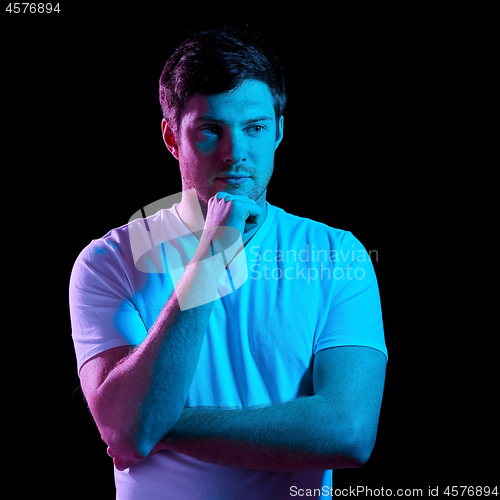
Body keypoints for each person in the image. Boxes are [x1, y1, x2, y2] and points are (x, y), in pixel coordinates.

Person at [69, 28, 388, 499]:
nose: (235, 152)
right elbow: (125, 428)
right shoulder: (108, 262)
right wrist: (211, 253)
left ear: (278, 131)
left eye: (254, 128)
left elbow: (348, 432)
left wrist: (160, 425)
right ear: (171, 137)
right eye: (210, 130)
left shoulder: (338, 255)